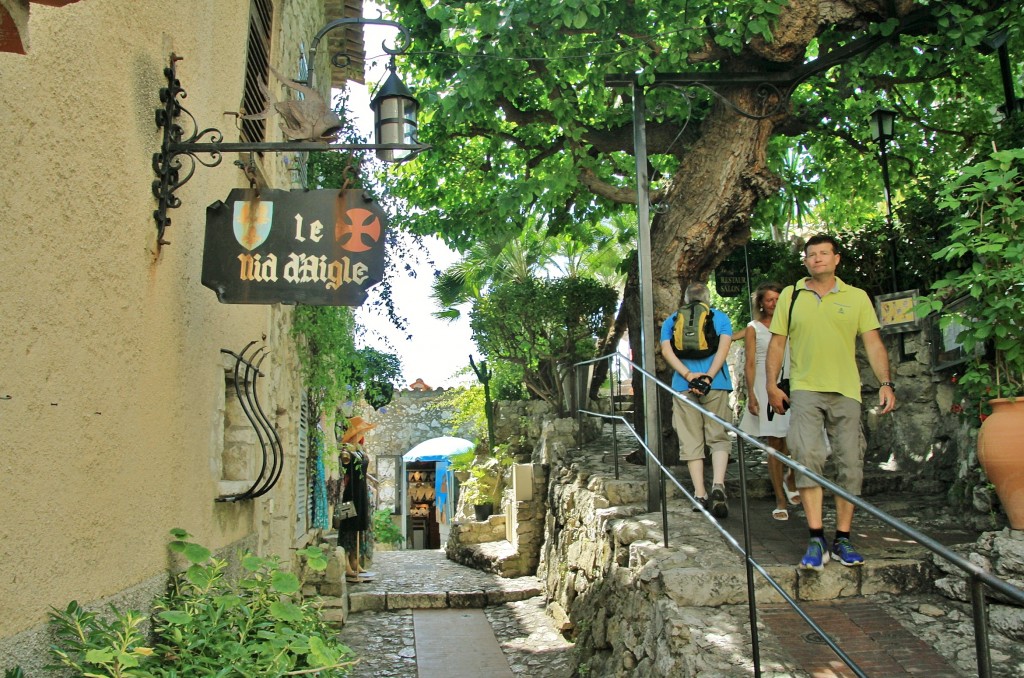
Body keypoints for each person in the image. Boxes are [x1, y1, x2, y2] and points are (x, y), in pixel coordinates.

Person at [765, 234, 896, 570]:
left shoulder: (857, 298)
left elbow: (874, 343)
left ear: (837, 259)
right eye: (812, 255)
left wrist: (886, 383)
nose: (818, 259)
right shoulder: (791, 297)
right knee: (807, 457)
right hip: (805, 389)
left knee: (850, 462)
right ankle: (815, 538)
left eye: (824, 253)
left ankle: (843, 539)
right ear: (806, 261)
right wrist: (770, 385)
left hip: (847, 390)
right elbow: (777, 344)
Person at [660, 282, 734, 518]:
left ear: (685, 299)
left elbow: (666, 351)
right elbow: (724, 348)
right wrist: (708, 377)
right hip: (716, 384)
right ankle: (718, 485)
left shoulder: (672, 320)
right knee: (718, 435)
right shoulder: (720, 317)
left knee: (690, 440)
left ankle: (700, 494)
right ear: (707, 298)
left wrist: (689, 376)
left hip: (684, 386)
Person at [739, 281, 801, 521]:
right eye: (769, 300)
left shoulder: (792, 323)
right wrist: (752, 395)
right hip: (767, 386)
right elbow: (750, 362)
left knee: (795, 438)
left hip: (793, 383)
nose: (774, 303)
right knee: (775, 442)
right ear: (761, 304)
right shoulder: (754, 327)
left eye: (778, 299)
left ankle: (790, 478)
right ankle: (780, 499)